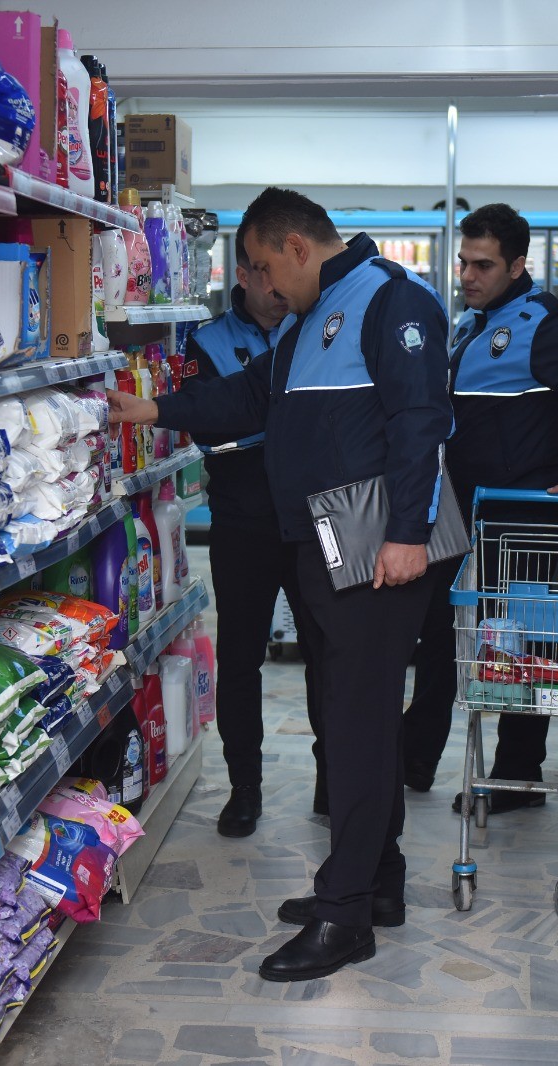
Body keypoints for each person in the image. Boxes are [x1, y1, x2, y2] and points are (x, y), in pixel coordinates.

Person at [109, 187, 452, 983]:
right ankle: (379, 884)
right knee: (347, 711)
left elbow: (421, 420)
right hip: (328, 539)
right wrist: (151, 405)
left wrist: (406, 533)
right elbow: (244, 398)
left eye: (264, 267)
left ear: (297, 248)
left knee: (359, 725)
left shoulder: (390, 301)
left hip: (376, 542)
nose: (261, 286)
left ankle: (345, 916)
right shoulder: (308, 321)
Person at [400, 203, 558, 812]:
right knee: (439, 638)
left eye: (483, 265)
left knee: (528, 649)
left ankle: (517, 778)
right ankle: (413, 761)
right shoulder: (471, 324)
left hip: (527, 515)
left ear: (517, 265)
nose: (468, 275)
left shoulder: (548, 325)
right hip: (459, 511)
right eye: (463, 262)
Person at [184, 232, 322, 838]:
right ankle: (245, 787)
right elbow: (210, 419)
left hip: (314, 519)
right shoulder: (208, 342)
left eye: (277, 274)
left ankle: (334, 778)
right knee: (241, 658)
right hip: (242, 521)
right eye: (262, 275)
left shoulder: (318, 327)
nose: (275, 289)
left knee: (328, 653)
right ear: (242, 274)